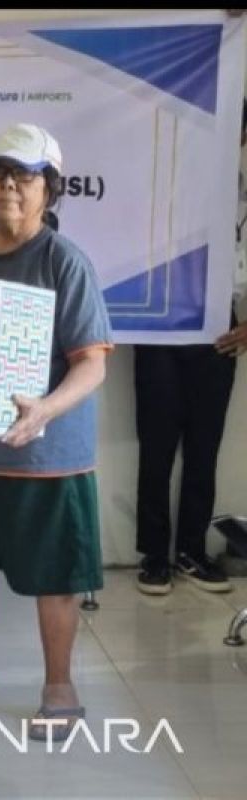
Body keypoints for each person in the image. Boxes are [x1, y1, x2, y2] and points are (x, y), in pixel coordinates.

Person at [0, 123, 112, 743]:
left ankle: (59, 688)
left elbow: (92, 361)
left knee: (56, 574)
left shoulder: (63, 261)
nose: (9, 185)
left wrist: (43, 409)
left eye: (25, 175)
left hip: (48, 454)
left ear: (50, 189)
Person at [132, 100, 247, 596]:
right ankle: (155, 557)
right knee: (156, 450)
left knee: (204, 450)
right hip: (162, 324)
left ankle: (192, 551)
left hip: (220, 330)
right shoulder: (164, 174)